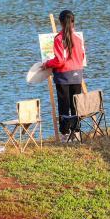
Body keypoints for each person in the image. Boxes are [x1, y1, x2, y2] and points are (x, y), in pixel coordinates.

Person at [44, 9, 87, 138]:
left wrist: (47, 64)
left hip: (63, 76)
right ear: (73, 22)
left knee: (64, 106)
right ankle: (76, 131)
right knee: (76, 105)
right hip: (77, 74)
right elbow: (82, 56)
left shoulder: (59, 38)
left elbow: (59, 61)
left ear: (61, 23)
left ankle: (65, 133)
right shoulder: (78, 38)